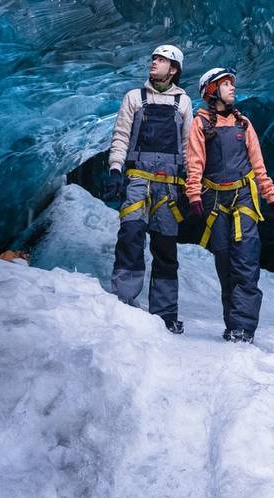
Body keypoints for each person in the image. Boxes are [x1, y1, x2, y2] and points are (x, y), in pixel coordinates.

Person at [185, 68, 274, 343]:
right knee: (225, 263)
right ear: (211, 91)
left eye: (232, 84)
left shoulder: (244, 124)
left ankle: (244, 328)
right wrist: (194, 195)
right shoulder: (200, 124)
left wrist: (270, 195)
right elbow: (194, 163)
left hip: (244, 200)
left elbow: (258, 164)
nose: (232, 88)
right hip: (215, 201)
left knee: (246, 263)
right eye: (226, 84)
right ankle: (233, 326)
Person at [103, 45, 193, 334]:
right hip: (137, 182)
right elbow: (120, 137)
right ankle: (123, 302)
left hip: (169, 188)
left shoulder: (184, 102)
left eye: (161, 60)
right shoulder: (134, 97)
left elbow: (189, 148)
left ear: (174, 69)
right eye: (154, 58)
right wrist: (116, 170)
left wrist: (192, 188)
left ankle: (165, 314)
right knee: (130, 238)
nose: (154, 63)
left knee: (165, 249)